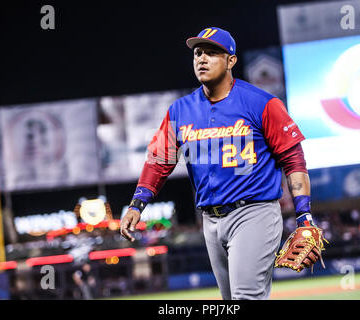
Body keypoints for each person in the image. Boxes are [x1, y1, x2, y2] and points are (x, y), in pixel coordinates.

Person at [120, 27, 319, 300]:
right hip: (210, 221)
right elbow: (159, 161)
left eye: (212, 53)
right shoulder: (181, 110)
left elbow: (293, 158)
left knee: (245, 297)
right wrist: (136, 204)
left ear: (231, 61)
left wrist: (304, 216)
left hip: (254, 213)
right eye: (198, 53)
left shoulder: (262, 103)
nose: (202, 58)